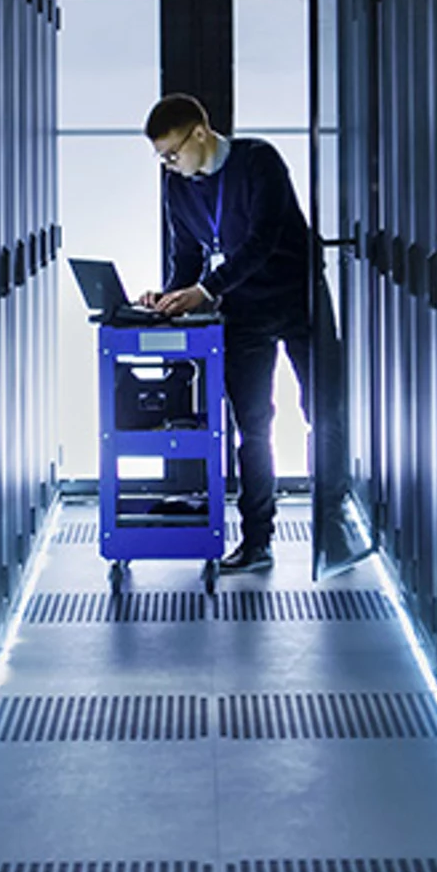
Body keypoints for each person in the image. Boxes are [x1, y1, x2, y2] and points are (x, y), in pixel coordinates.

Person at [139, 93, 349, 572]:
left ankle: (332, 524)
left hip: (300, 301)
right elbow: (187, 259)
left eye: (172, 154)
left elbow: (262, 241)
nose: (169, 166)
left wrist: (205, 291)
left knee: (324, 410)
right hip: (244, 310)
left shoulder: (259, 161)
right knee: (253, 425)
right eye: (161, 159)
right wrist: (169, 300)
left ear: (200, 133)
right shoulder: (179, 188)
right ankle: (257, 540)